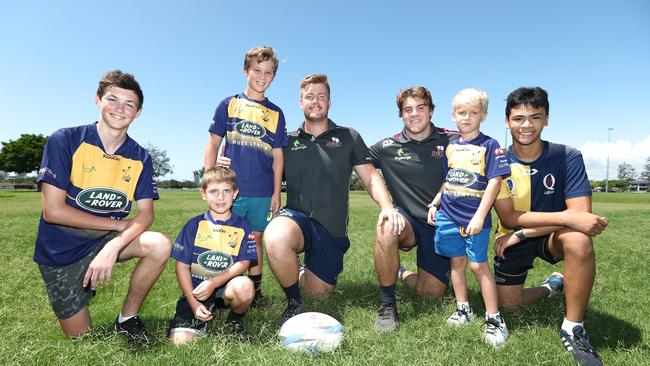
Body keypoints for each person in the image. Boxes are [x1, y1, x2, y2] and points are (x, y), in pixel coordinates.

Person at [34, 70, 172, 344]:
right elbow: (53, 210)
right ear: (97, 100)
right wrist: (119, 225)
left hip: (107, 241)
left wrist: (112, 246)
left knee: (160, 245)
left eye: (129, 104)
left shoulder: (140, 156)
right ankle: (81, 292)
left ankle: (127, 318)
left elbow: (146, 214)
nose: (120, 109)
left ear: (138, 112)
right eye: (113, 99)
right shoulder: (65, 140)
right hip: (60, 252)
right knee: (81, 340)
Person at [263, 73, 404, 325]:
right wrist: (224, 162)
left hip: (331, 230)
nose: (315, 101)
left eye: (321, 97)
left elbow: (370, 177)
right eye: (309, 97)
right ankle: (294, 303)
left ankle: (304, 272)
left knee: (319, 295)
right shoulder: (287, 140)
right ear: (300, 102)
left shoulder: (349, 136)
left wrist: (387, 206)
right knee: (276, 235)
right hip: (297, 219)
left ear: (329, 102)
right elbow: (262, 169)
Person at [493, 87, 608, 365]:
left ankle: (573, 327)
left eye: (535, 117)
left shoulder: (567, 155)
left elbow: (581, 217)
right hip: (510, 237)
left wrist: (523, 232)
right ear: (507, 121)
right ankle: (552, 286)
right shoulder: (497, 159)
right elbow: (509, 217)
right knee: (510, 305)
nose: (527, 125)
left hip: (547, 236)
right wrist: (567, 216)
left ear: (547, 119)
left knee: (579, 240)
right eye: (518, 118)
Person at [203, 46, 288, 305]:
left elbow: (278, 158)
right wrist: (211, 179)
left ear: (273, 76)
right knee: (226, 236)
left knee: (255, 240)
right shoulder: (229, 105)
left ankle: (256, 291)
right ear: (246, 71)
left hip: (262, 190)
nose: (262, 76)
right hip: (232, 189)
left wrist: (276, 192)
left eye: (269, 72)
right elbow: (212, 144)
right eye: (257, 70)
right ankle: (218, 289)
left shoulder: (276, 113)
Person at [427, 88, 510, 346]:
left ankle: (495, 318)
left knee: (478, 265)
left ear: (483, 116)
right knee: (456, 263)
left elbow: (495, 183)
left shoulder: (490, 145)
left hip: (474, 218)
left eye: (473, 112)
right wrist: (435, 201)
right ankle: (463, 308)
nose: (467, 117)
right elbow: (448, 180)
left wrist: (479, 216)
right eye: (461, 112)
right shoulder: (450, 146)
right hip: (448, 215)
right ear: (453, 115)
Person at [369, 86, 455, 332]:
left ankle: (401, 273)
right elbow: (359, 164)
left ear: (431, 111)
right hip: (405, 221)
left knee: (430, 294)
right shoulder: (386, 146)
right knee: (386, 224)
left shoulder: (453, 140)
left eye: (420, 108)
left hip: (438, 224)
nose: (414, 114)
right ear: (401, 115)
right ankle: (387, 305)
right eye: (408, 110)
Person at [168, 167, 257, 344]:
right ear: (203, 193)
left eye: (227, 191)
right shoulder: (194, 225)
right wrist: (193, 303)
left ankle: (235, 320)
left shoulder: (243, 225)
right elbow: (181, 266)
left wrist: (213, 283)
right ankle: (200, 312)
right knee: (179, 342)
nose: (221, 197)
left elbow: (245, 262)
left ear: (235, 193)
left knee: (245, 286)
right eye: (214, 191)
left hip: (226, 286)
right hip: (197, 292)